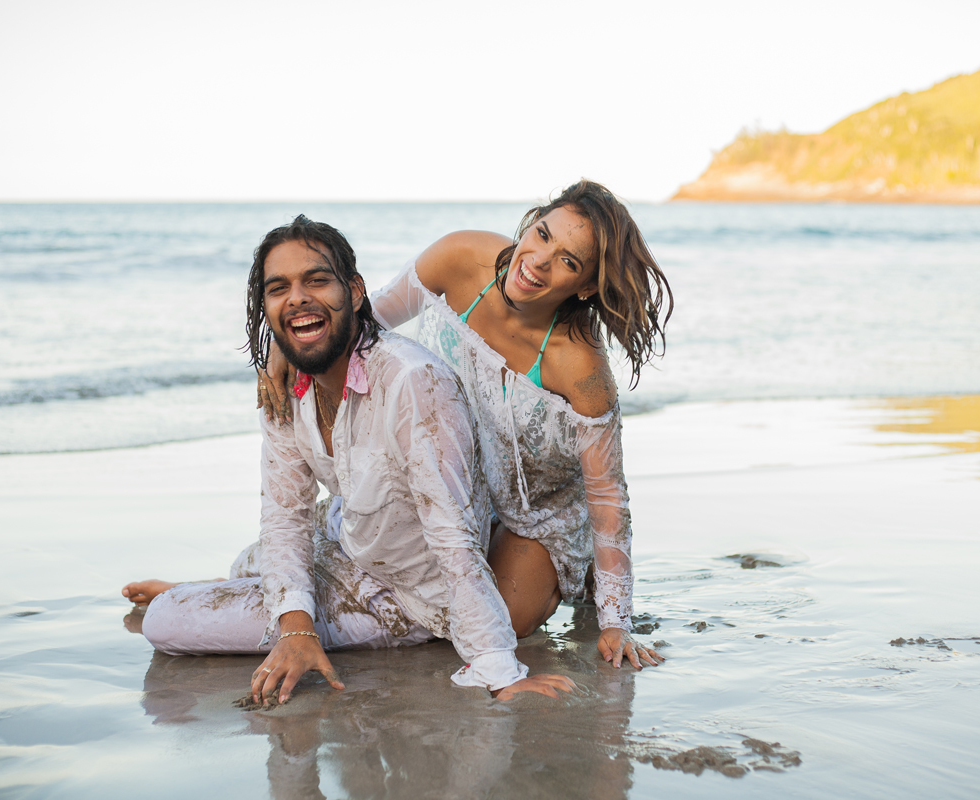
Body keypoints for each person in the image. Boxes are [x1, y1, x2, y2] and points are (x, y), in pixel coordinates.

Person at [124, 215, 574, 704]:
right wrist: (296, 631)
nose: (297, 297)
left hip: (407, 592)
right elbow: (285, 517)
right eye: (279, 288)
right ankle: (235, 592)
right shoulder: (286, 382)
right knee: (250, 560)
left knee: (166, 619)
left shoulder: (411, 382)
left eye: (316, 280)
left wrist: (500, 672)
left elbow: (453, 536)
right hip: (351, 537)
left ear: (355, 292)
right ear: (267, 309)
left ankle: (226, 598)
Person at [259, 180, 672, 671]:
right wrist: (282, 351)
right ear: (530, 223)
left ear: (584, 286)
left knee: (496, 622)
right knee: (393, 561)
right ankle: (271, 605)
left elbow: (607, 497)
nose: (538, 260)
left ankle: (568, 575)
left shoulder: (579, 367)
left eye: (568, 260)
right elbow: (360, 324)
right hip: (444, 478)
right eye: (541, 235)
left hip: (528, 512)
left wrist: (615, 622)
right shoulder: (460, 257)